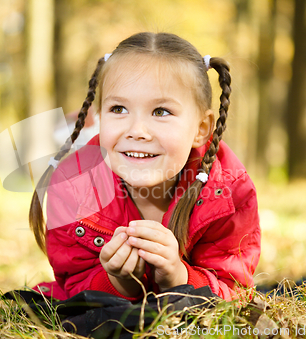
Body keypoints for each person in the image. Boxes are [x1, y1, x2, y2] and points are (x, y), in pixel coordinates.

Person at [29, 32, 260, 302]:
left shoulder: (229, 192)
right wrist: (118, 281)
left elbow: (233, 288)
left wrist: (179, 278)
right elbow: (74, 280)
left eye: (161, 111)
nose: (137, 131)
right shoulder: (72, 185)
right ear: (100, 116)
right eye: (118, 109)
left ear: (200, 129)